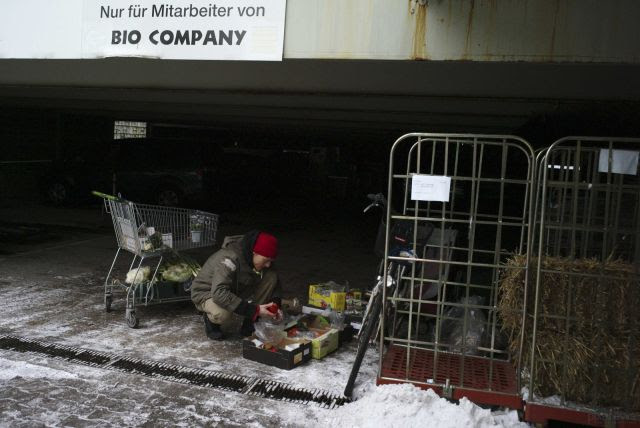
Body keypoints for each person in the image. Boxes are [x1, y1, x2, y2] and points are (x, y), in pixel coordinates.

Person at [191, 230, 283, 340]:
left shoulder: (258, 256)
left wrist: (276, 305)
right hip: (208, 292)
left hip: (233, 288)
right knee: (222, 314)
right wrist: (254, 310)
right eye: (266, 260)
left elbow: (274, 282)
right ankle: (211, 321)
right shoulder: (229, 259)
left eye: (271, 261)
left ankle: (251, 322)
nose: (268, 264)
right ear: (254, 252)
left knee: (271, 276)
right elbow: (219, 293)